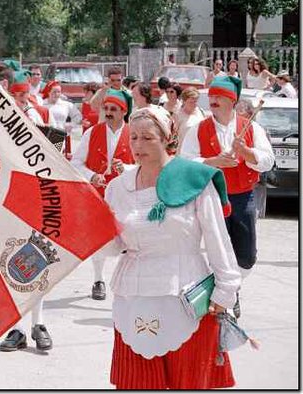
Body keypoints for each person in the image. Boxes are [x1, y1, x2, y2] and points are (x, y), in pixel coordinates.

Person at [105, 106, 241, 389]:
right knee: (138, 383)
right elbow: (113, 245)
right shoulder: (118, 188)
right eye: (134, 138)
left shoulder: (195, 180)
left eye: (147, 138)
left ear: (168, 138)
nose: (138, 146)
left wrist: (226, 291)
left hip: (188, 298)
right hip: (133, 296)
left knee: (189, 383)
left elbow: (218, 239)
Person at [180, 76, 274, 317]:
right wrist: (213, 161)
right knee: (217, 251)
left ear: (232, 100)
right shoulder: (198, 129)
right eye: (211, 96)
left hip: (243, 196)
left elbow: (267, 161)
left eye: (219, 96)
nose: (213, 100)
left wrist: (247, 153)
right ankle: (222, 298)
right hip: (212, 196)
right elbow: (185, 162)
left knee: (246, 256)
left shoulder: (251, 127)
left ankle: (233, 289)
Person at [0, 79, 54, 353]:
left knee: (39, 258)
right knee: (13, 260)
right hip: (10, 197)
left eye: (24, 94)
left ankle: (38, 323)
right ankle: (17, 327)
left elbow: (57, 155)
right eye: (15, 94)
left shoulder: (42, 114)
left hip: (40, 194)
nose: (20, 98)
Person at [71, 89, 134, 301]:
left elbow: (144, 164)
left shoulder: (134, 133)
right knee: (98, 238)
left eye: (113, 109)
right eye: (106, 108)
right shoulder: (92, 133)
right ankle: (98, 279)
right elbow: (76, 163)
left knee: (130, 237)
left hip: (125, 194)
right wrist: (92, 176)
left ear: (123, 111)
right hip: (98, 194)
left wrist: (125, 167)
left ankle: (129, 280)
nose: (108, 112)